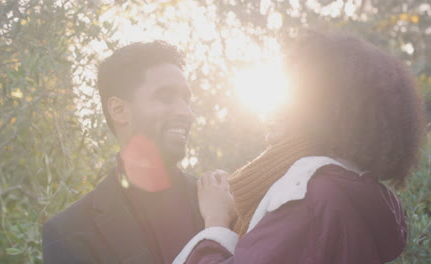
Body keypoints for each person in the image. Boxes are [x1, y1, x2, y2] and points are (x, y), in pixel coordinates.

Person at [174, 31, 426, 264]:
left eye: (288, 95)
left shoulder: (310, 199)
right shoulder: (348, 193)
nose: (272, 107)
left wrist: (216, 222)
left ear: (326, 109)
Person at [43, 41, 203, 263]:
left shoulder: (221, 201)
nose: (186, 112)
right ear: (118, 110)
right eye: (166, 97)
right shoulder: (68, 232)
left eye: (187, 100)